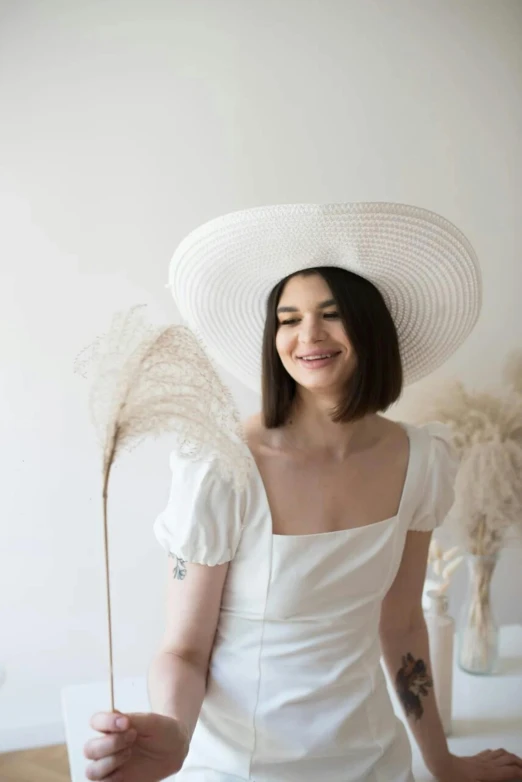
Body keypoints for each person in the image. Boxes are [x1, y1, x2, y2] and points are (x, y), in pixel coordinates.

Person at [84, 203, 522, 782]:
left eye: (332, 314)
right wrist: (174, 733)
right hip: (238, 767)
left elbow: (402, 625)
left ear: (371, 328)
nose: (308, 334)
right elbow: (184, 650)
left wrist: (442, 764)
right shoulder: (223, 468)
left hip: (374, 763)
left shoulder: (422, 460)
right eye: (288, 319)